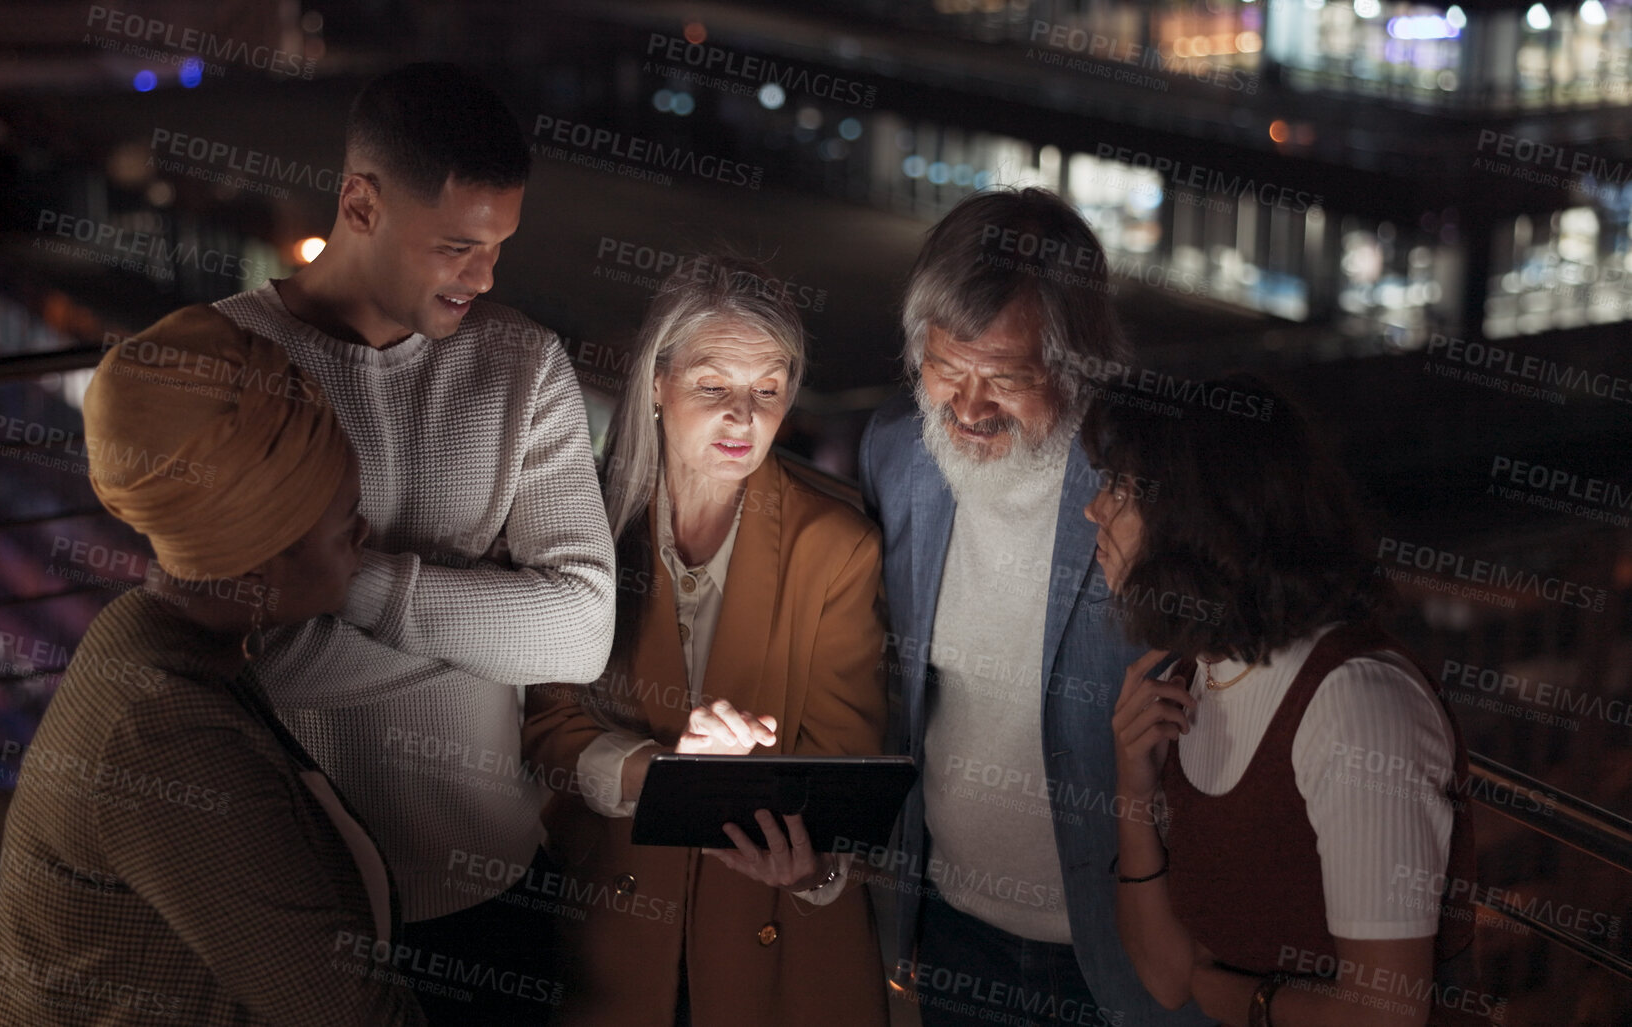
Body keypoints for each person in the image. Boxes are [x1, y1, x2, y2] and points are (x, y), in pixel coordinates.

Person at [171, 62, 614, 1024]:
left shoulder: (523, 364)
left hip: (493, 879)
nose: (485, 276)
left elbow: (578, 632)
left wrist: (338, 581)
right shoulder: (226, 365)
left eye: (499, 246)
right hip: (293, 893)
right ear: (359, 203)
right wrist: (484, 609)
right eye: (457, 246)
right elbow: (241, 659)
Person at [0, 318, 420, 1025]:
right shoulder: (165, 733)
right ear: (261, 559)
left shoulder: (152, 636)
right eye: (345, 525)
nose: (364, 537)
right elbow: (344, 1013)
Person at [857, 187, 1208, 1026]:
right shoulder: (895, 454)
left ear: (1080, 365)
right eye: (946, 368)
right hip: (951, 929)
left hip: (1124, 951)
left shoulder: (1156, 481)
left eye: (1007, 379)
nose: (969, 408)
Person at [521, 255, 889, 1026]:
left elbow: (845, 773)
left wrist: (811, 867)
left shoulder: (836, 546)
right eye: (713, 386)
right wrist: (660, 776)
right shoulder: (579, 515)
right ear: (656, 382)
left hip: (777, 951)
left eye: (768, 389)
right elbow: (546, 728)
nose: (744, 419)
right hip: (608, 944)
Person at [1086, 372, 1480, 1027]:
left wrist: (1239, 999)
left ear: (1199, 520)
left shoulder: (1354, 706)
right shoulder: (1194, 676)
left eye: (1121, 488)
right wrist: (1132, 789)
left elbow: (1384, 1015)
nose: (1093, 508)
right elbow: (1164, 976)